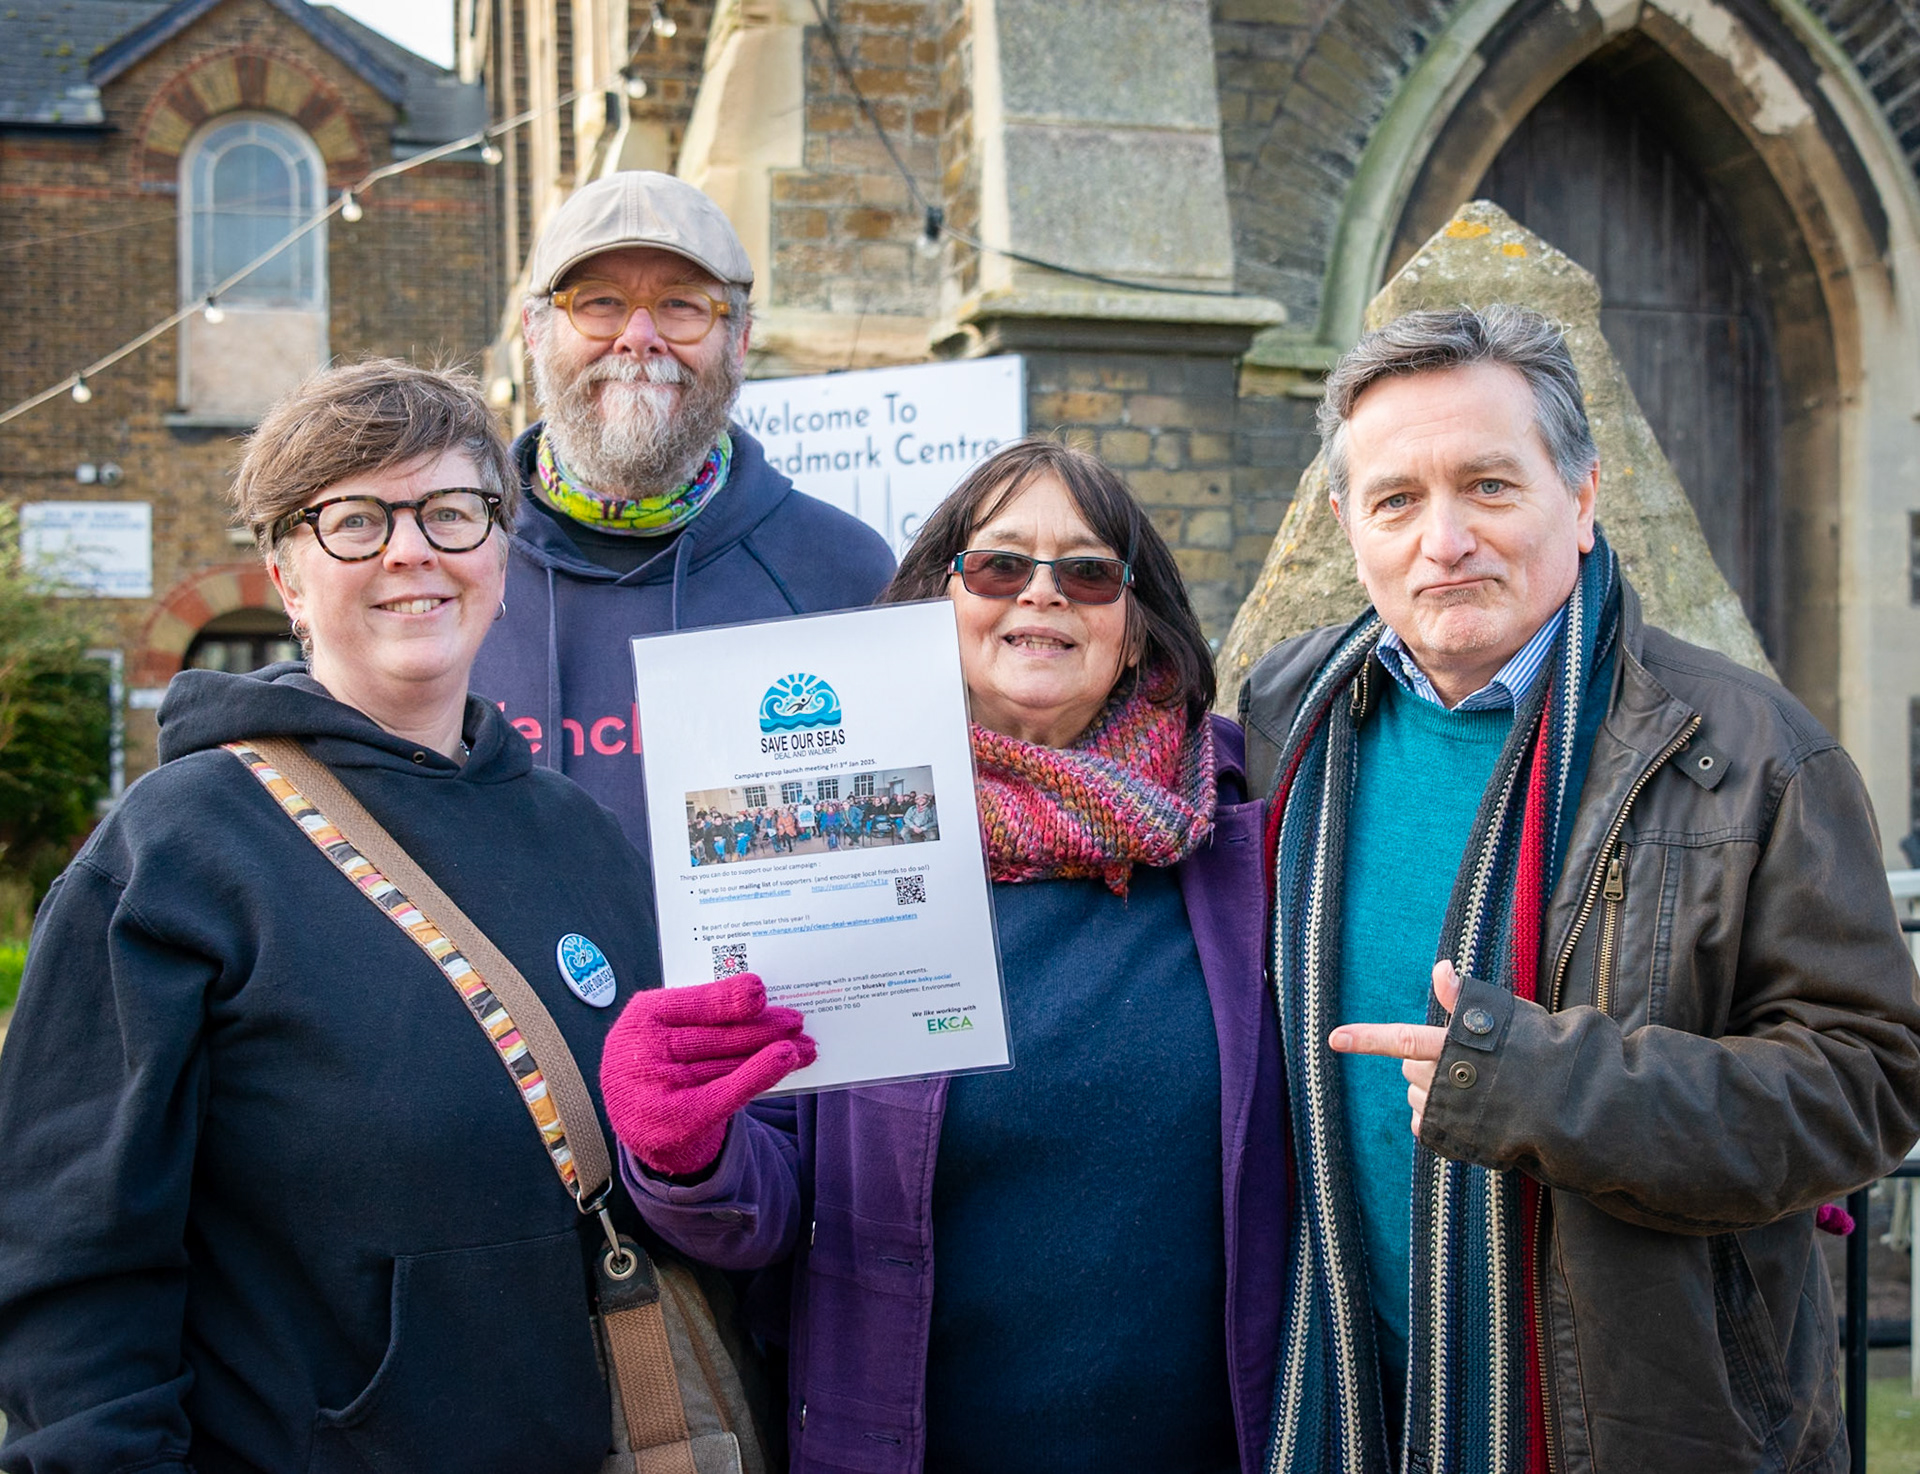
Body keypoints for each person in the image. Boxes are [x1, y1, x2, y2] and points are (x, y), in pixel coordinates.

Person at [1237, 306, 1920, 1474]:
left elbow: (1869, 1083)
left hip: (1632, 1427)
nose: (1443, 540)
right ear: (1347, 524)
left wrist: (1556, 1087)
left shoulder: (1750, 754)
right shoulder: (1287, 720)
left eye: (1491, 486)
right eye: (1398, 499)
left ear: (1583, 494)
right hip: (1344, 1404)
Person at [0, 362, 665, 1471]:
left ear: (501, 554)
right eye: (356, 519)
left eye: (451, 512)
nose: (412, 551)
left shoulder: (584, 838)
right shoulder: (175, 853)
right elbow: (74, 1265)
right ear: (287, 577)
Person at [595, 437, 1286, 1473]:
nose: (1042, 597)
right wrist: (680, 1146)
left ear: (1143, 628)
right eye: (1001, 565)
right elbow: (764, 1210)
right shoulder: (835, 832)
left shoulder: (1250, 836)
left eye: (1089, 572)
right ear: (938, 600)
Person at [471, 171, 896, 850]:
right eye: (600, 302)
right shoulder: (450, 566)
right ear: (533, 330)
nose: (639, 337)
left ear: (741, 339)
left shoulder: (842, 571)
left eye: (682, 305)